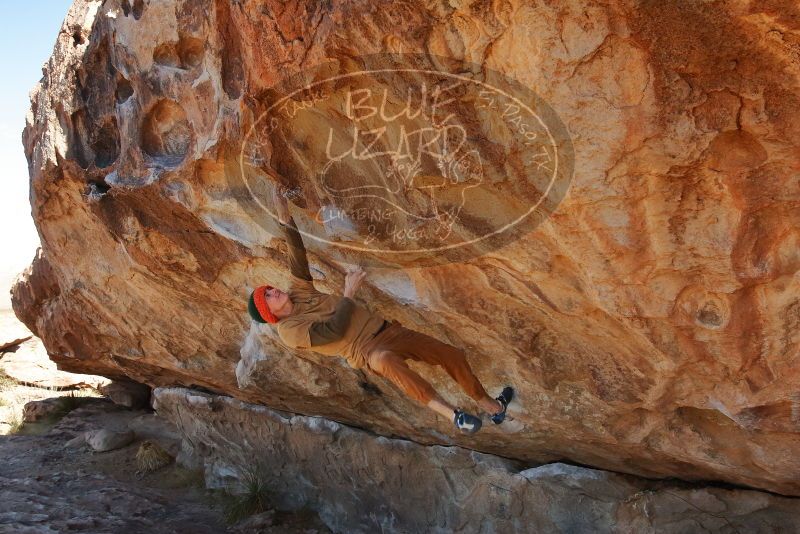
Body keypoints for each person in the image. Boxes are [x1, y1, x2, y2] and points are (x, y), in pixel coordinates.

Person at [247, 186, 513, 434]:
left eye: (269, 289)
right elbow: (333, 330)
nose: (273, 291)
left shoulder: (298, 293)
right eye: (267, 297)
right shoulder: (289, 331)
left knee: (451, 354)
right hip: (366, 351)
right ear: (270, 314)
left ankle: (493, 407)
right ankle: (454, 416)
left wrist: (283, 213)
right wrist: (348, 292)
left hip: (389, 330)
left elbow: (296, 252)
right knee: (384, 360)